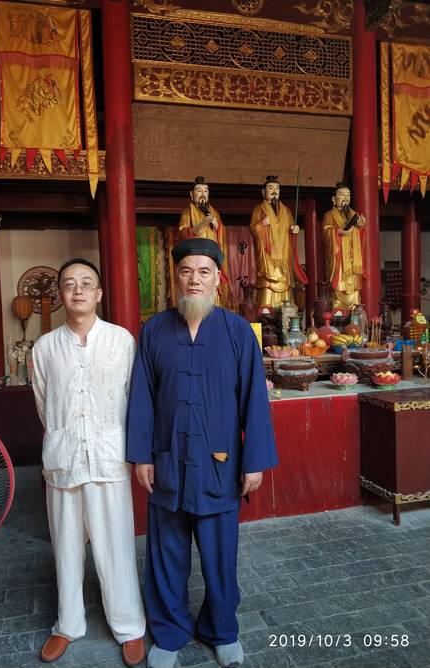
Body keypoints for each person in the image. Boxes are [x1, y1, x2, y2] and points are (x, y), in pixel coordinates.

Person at [127, 238, 277, 668]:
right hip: (168, 462)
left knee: (219, 558)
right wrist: (141, 455)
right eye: (186, 271)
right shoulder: (154, 330)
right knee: (166, 555)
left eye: (204, 272)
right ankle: (170, 633)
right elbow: (142, 398)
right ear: (175, 278)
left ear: (218, 280)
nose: (194, 279)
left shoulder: (238, 332)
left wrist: (254, 462)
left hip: (219, 466)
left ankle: (221, 630)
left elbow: (254, 401)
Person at [32, 258, 146, 666]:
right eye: (69, 284)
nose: (77, 290)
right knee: (65, 547)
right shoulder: (44, 348)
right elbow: (44, 404)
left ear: (98, 293)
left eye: (85, 283)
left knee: (116, 546)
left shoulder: (121, 341)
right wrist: (66, 437)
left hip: (109, 456)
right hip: (63, 460)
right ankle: (68, 624)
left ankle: (129, 626)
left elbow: (134, 398)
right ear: (61, 295)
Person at [250, 175, 308, 308]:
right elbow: (253, 230)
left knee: (285, 290)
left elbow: (291, 228)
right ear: (263, 192)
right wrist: (261, 224)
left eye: (277, 188)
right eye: (271, 188)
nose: (274, 191)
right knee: (267, 289)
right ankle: (266, 307)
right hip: (268, 258)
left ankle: (287, 306)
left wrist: (294, 229)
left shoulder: (286, 211)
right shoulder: (259, 209)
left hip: (283, 257)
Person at [179, 176, 232, 308]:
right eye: (199, 191)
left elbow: (222, 234)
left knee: (213, 286)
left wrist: (217, 226)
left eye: (205, 191)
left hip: (212, 258)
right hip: (196, 258)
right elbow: (183, 232)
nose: (203, 194)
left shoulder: (214, 213)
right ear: (191, 194)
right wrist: (202, 224)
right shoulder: (187, 212)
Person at [322, 182, 367, 311]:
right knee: (339, 290)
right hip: (339, 261)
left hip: (353, 262)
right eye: (342, 195)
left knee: (354, 290)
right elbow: (326, 233)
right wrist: (338, 232)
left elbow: (361, 241)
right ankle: (337, 312)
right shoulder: (329, 215)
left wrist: (361, 228)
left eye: (348, 195)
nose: (346, 198)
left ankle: (355, 313)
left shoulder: (354, 215)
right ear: (334, 199)